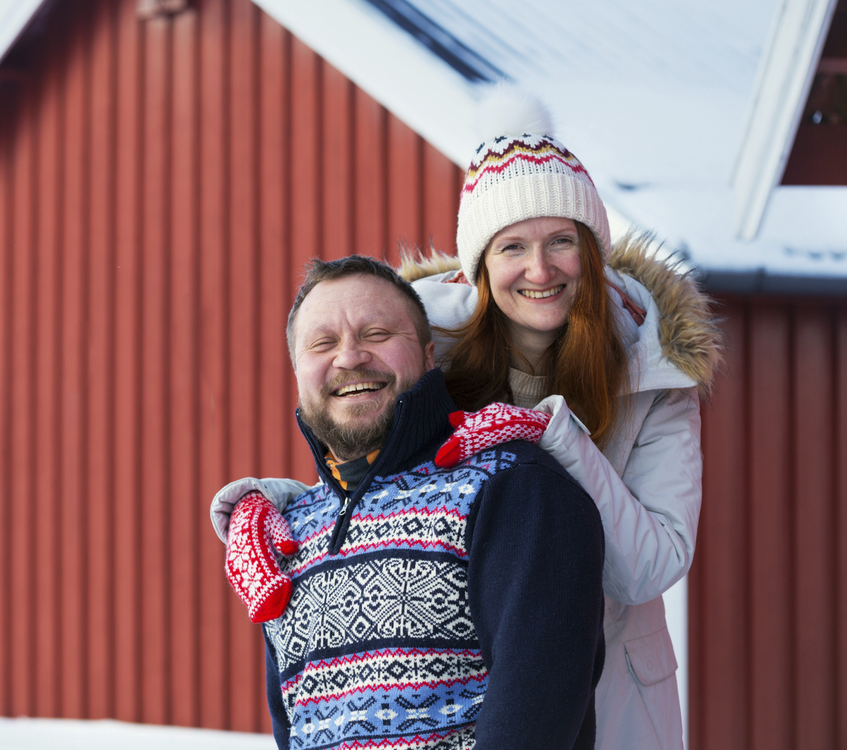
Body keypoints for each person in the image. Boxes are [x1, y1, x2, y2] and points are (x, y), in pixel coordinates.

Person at [214, 95, 722, 749]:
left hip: (615, 681)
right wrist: (276, 506)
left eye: (561, 241)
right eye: (512, 246)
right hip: (473, 679)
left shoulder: (654, 373)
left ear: (591, 252)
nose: (539, 269)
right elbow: (383, 470)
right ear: (480, 263)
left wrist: (551, 435)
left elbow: (648, 567)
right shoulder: (428, 346)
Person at [229, 254, 606, 750]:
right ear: (298, 372)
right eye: (323, 343)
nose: (349, 357)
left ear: (429, 356)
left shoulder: (512, 489)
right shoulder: (284, 537)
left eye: (377, 334)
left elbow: (536, 717)